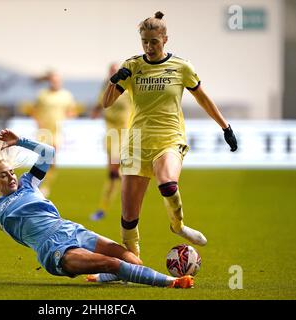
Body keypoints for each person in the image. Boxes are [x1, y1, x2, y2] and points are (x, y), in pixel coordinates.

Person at [0, 129, 194, 289]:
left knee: (132, 260)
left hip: (72, 230)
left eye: (11, 171)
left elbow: (49, 154)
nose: (11, 176)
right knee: (115, 264)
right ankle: (172, 282)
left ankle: (100, 277)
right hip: (53, 249)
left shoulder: (29, 183)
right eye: (3, 175)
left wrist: (21, 142)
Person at [102, 11, 238, 258]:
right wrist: (114, 81)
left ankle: (178, 226)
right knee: (128, 216)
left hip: (169, 138)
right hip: (136, 143)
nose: (149, 46)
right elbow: (106, 103)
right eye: (144, 41)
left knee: (167, 182)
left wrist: (225, 127)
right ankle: (134, 264)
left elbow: (203, 99)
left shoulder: (181, 67)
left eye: (154, 41)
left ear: (165, 39)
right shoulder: (132, 66)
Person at [90, 63, 133, 221]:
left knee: (115, 172)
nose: (113, 74)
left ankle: (106, 208)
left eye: (115, 71)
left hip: (125, 135)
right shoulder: (105, 90)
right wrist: (95, 111)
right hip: (110, 135)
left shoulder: (128, 90)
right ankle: (104, 208)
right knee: (113, 174)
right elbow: (98, 107)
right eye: (111, 71)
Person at [31, 71, 76, 197]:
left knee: (52, 159)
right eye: (53, 80)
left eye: (57, 80)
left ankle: (45, 186)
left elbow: (71, 111)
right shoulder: (42, 95)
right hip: (44, 132)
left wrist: (68, 118)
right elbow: (34, 110)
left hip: (57, 131)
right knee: (42, 158)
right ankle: (36, 183)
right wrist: (38, 122)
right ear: (49, 81)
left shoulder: (66, 95)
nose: (55, 82)